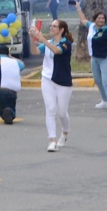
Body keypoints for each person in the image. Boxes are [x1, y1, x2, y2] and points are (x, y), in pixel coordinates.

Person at [31, 19, 73, 152]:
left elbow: (57, 51)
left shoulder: (66, 44)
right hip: (47, 80)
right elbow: (35, 52)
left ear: (61, 30)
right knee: (50, 109)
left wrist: (41, 38)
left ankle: (65, 132)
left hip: (63, 82)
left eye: (54, 26)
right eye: (51, 26)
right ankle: (52, 141)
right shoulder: (48, 42)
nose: (51, 28)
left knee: (61, 112)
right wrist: (32, 38)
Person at [75, 0, 107, 111]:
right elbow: (83, 19)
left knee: (106, 80)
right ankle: (105, 101)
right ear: (95, 19)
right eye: (99, 18)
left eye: (103, 19)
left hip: (105, 59)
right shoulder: (91, 26)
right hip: (94, 58)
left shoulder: (106, 31)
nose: (101, 20)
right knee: (98, 80)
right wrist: (78, 8)